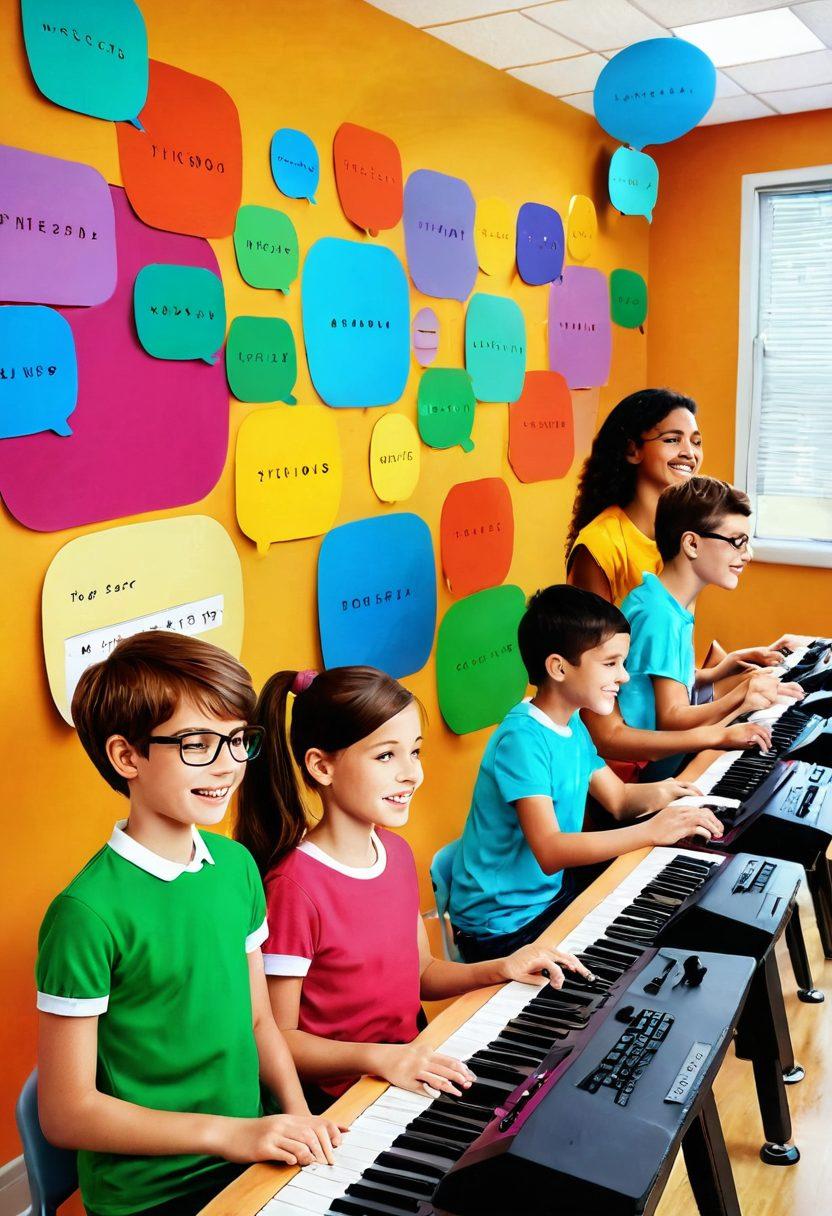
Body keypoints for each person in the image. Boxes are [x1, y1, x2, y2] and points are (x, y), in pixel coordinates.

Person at [36, 632, 343, 1216]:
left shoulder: (236, 866)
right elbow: (66, 1111)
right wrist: (228, 1134)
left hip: (251, 1156)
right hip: (155, 1195)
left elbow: (259, 1021)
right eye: (197, 744)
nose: (227, 764)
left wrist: (300, 1117)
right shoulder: (85, 915)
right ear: (128, 757)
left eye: (235, 739)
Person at [234, 666, 590, 1111]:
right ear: (322, 766)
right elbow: (280, 1041)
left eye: (415, 752)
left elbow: (421, 974)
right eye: (386, 756)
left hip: (408, 1061)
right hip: (340, 1100)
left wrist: (501, 967)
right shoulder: (293, 888)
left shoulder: (397, 853)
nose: (412, 775)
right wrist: (380, 1058)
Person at [447, 586, 725, 963]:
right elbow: (550, 849)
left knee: (670, 924)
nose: (624, 677)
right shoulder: (522, 740)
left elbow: (619, 800)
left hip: (549, 897)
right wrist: (652, 830)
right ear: (559, 667)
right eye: (610, 664)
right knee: (640, 959)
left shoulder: (572, 724)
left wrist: (681, 794)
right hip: (504, 928)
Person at [617, 476, 804, 780]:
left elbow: (658, 684)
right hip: (649, 771)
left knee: (759, 692)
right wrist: (740, 694)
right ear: (691, 544)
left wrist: (720, 671)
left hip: (661, 756)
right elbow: (672, 717)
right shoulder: (660, 616)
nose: (748, 554)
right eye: (736, 541)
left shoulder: (659, 599)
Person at [566, 388, 702, 605]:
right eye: (672, 440)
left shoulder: (686, 537)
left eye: (696, 442)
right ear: (632, 450)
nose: (689, 453)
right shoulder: (600, 544)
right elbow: (593, 640)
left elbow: (675, 638)